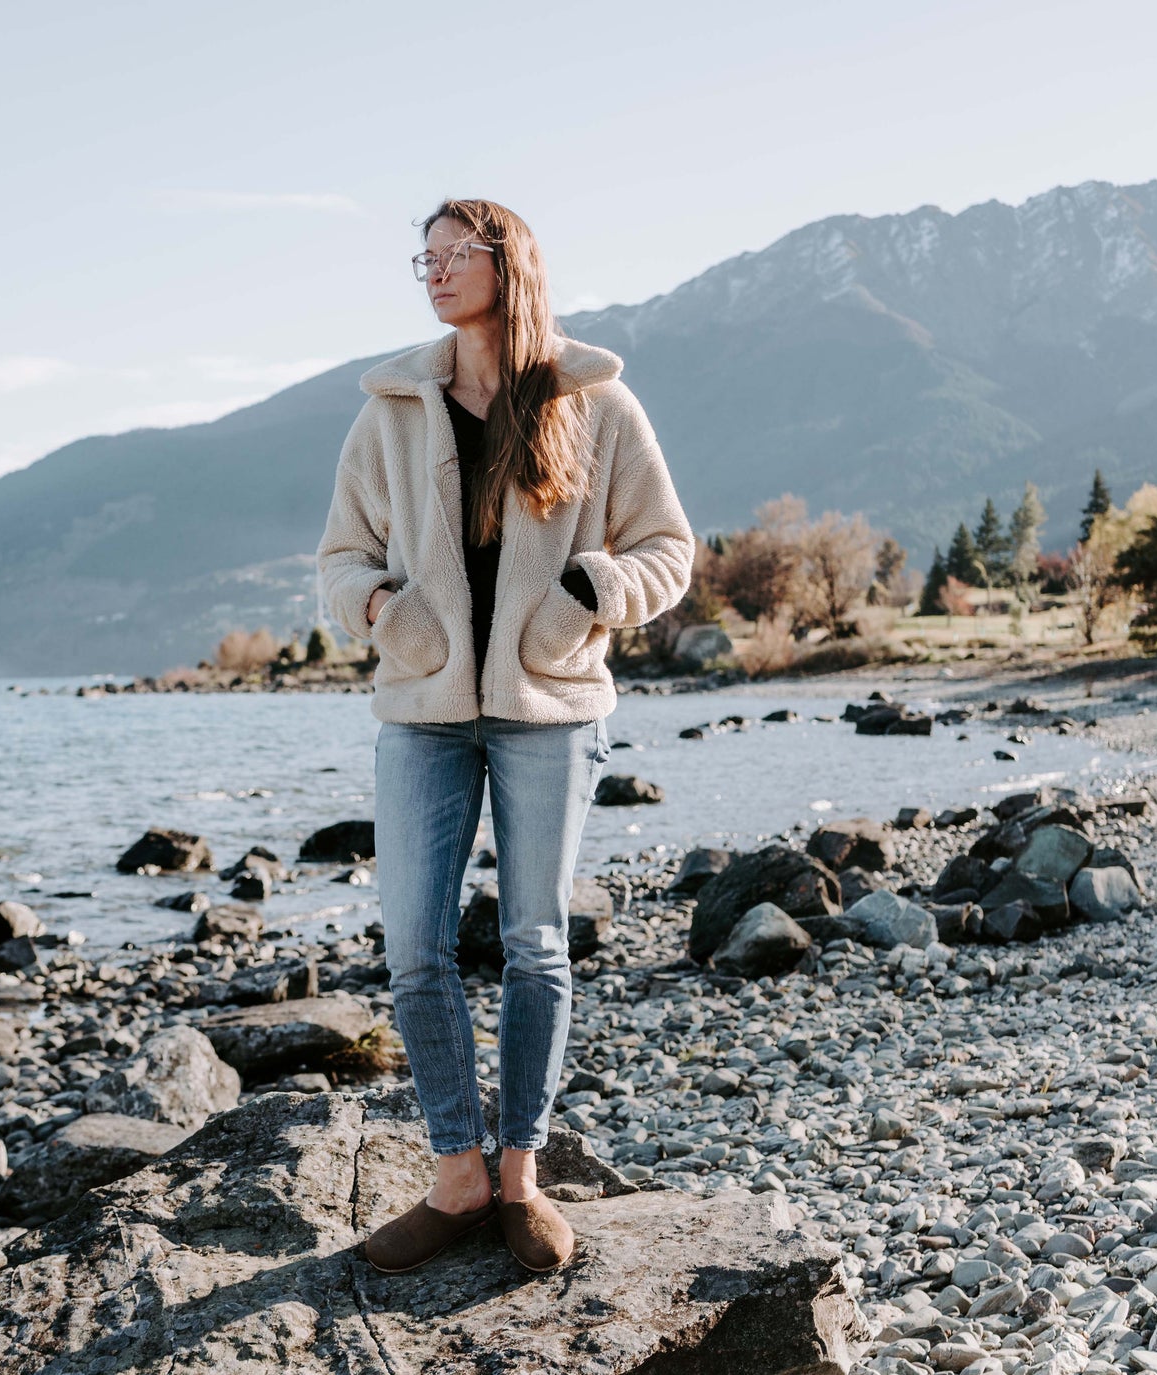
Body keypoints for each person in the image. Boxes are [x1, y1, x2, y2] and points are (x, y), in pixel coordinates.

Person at [316, 198, 694, 1273]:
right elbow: (339, 558)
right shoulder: (389, 407)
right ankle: (456, 1176)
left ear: (506, 262)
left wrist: (591, 590)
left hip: (551, 706)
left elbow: (669, 545)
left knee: (535, 945)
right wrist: (386, 612)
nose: (431, 271)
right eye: (420, 257)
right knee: (413, 952)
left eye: (452, 254)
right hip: (421, 711)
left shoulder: (595, 402)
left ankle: (522, 1178)